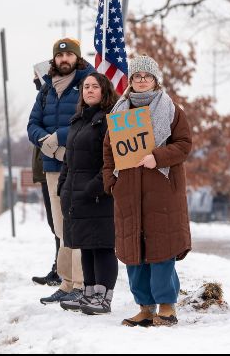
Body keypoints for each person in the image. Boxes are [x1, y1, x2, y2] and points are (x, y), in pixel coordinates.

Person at [103, 55, 192, 327]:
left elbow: (184, 144)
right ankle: (144, 308)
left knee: (162, 250)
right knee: (134, 253)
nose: (142, 80)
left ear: (155, 80)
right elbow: (108, 151)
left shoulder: (171, 110)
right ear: (130, 80)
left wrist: (158, 157)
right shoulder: (119, 112)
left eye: (147, 76)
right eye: (137, 76)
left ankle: (166, 307)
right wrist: (111, 183)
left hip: (162, 191)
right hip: (128, 192)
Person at [28, 37, 94, 305]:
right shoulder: (46, 89)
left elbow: (91, 118)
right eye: (59, 56)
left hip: (79, 165)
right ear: (54, 59)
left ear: (77, 58)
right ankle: (66, 283)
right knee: (60, 227)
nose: (64, 59)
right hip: (53, 167)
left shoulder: (88, 84)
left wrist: (59, 137)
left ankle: (80, 284)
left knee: (76, 224)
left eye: (69, 55)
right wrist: (46, 141)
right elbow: (32, 124)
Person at [57, 72, 119, 315]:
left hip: (98, 195)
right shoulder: (78, 120)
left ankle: (104, 297)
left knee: (102, 246)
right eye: (86, 87)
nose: (89, 90)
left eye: (95, 86)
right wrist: (63, 185)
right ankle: (89, 292)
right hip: (76, 195)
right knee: (86, 246)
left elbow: (114, 160)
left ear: (105, 91)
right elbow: (68, 159)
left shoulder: (110, 120)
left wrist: (95, 186)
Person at [31, 72, 61, 287]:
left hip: (58, 165)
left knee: (61, 223)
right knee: (54, 222)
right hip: (45, 169)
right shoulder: (43, 100)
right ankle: (59, 267)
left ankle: (63, 270)